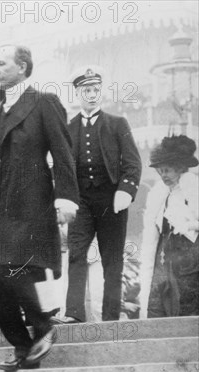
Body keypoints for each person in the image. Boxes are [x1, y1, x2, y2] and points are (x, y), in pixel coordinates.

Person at [0, 45, 79, 371]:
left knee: (12, 268)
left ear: (22, 66)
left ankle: (44, 326)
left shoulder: (43, 102)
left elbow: (64, 154)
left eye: (1, 63)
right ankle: (23, 346)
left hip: (28, 201)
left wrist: (66, 199)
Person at [55, 66, 142, 324]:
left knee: (112, 262)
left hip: (111, 200)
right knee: (76, 255)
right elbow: (61, 168)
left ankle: (111, 317)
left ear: (100, 92)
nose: (92, 95)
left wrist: (126, 190)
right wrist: (64, 199)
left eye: (95, 90)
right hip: (81, 201)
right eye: (86, 90)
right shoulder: (68, 127)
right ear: (78, 94)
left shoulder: (117, 124)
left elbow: (133, 163)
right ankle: (73, 313)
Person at [139, 135, 199, 318]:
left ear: (180, 168)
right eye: (161, 171)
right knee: (157, 302)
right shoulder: (159, 194)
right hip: (164, 257)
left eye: (168, 170)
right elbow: (153, 231)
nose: (163, 175)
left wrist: (189, 225)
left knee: (188, 302)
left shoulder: (192, 189)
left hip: (190, 257)